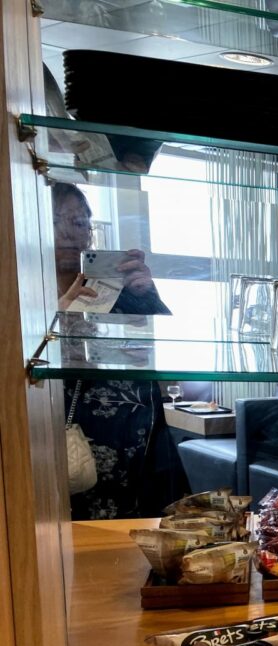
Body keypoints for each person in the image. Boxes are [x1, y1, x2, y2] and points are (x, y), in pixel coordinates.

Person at [54, 182, 177, 520]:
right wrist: (57, 317)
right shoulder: (20, 292)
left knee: (141, 529)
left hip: (135, 431)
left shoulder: (116, 288)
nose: (68, 232)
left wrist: (146, 295)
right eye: (55, 221)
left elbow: (167, 354)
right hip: (64, 431)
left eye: (79, 222)